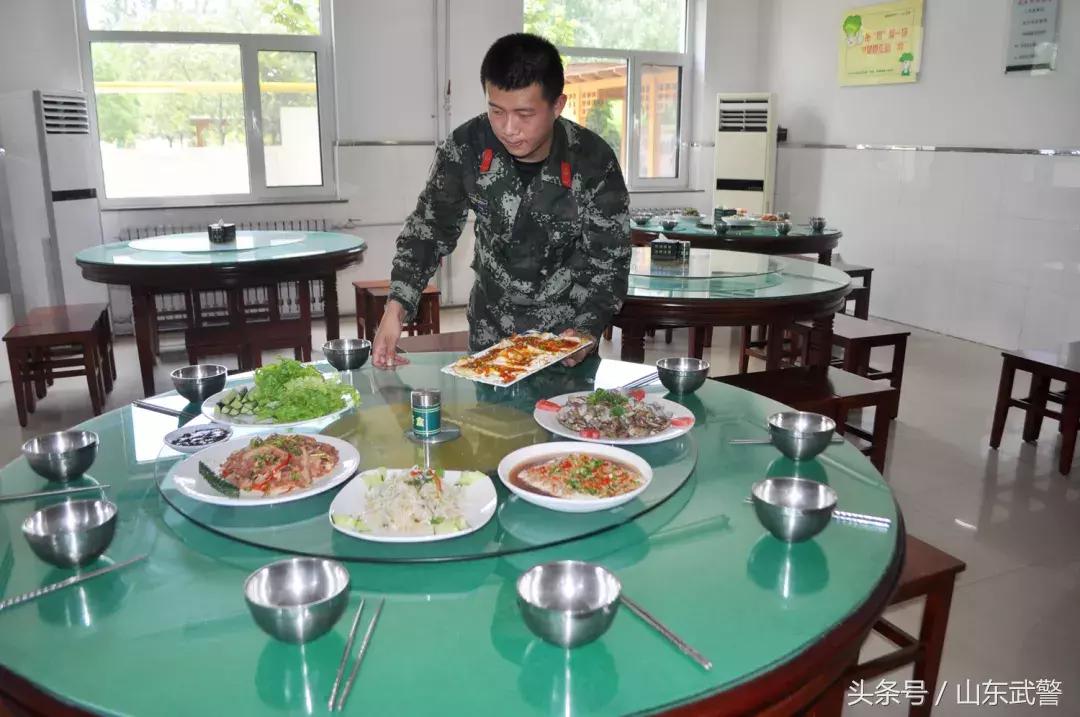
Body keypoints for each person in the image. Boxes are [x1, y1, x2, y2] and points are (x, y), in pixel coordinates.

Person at [372, 32, 630, 368]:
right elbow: (429, 230)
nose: (508, 128)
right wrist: (396, 307)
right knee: (491, 421)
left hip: (565, 339)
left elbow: (610, 261)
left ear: (557, 105)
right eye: (496, 111)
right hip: (490, 332)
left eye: (524, 115)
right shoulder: (468, 146)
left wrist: (586, 330)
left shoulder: (592, 160)